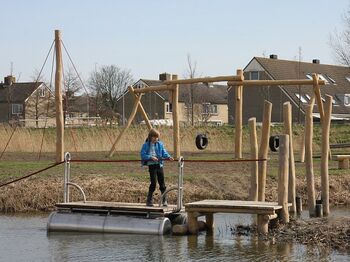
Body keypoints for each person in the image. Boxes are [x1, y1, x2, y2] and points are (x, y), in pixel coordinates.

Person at [140, 128, 173, 207]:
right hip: (152, 166)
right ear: (150, 137)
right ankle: (149, 200)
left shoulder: (160, 144)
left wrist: (168, 157)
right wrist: (151, 157)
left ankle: (164, 200)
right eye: (154, 137)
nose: (156, 139)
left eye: (157, 137)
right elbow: (143, 154)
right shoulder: (145, 145)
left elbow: (164, 152)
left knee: (162, 183)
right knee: (153, 183)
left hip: (159, 165)